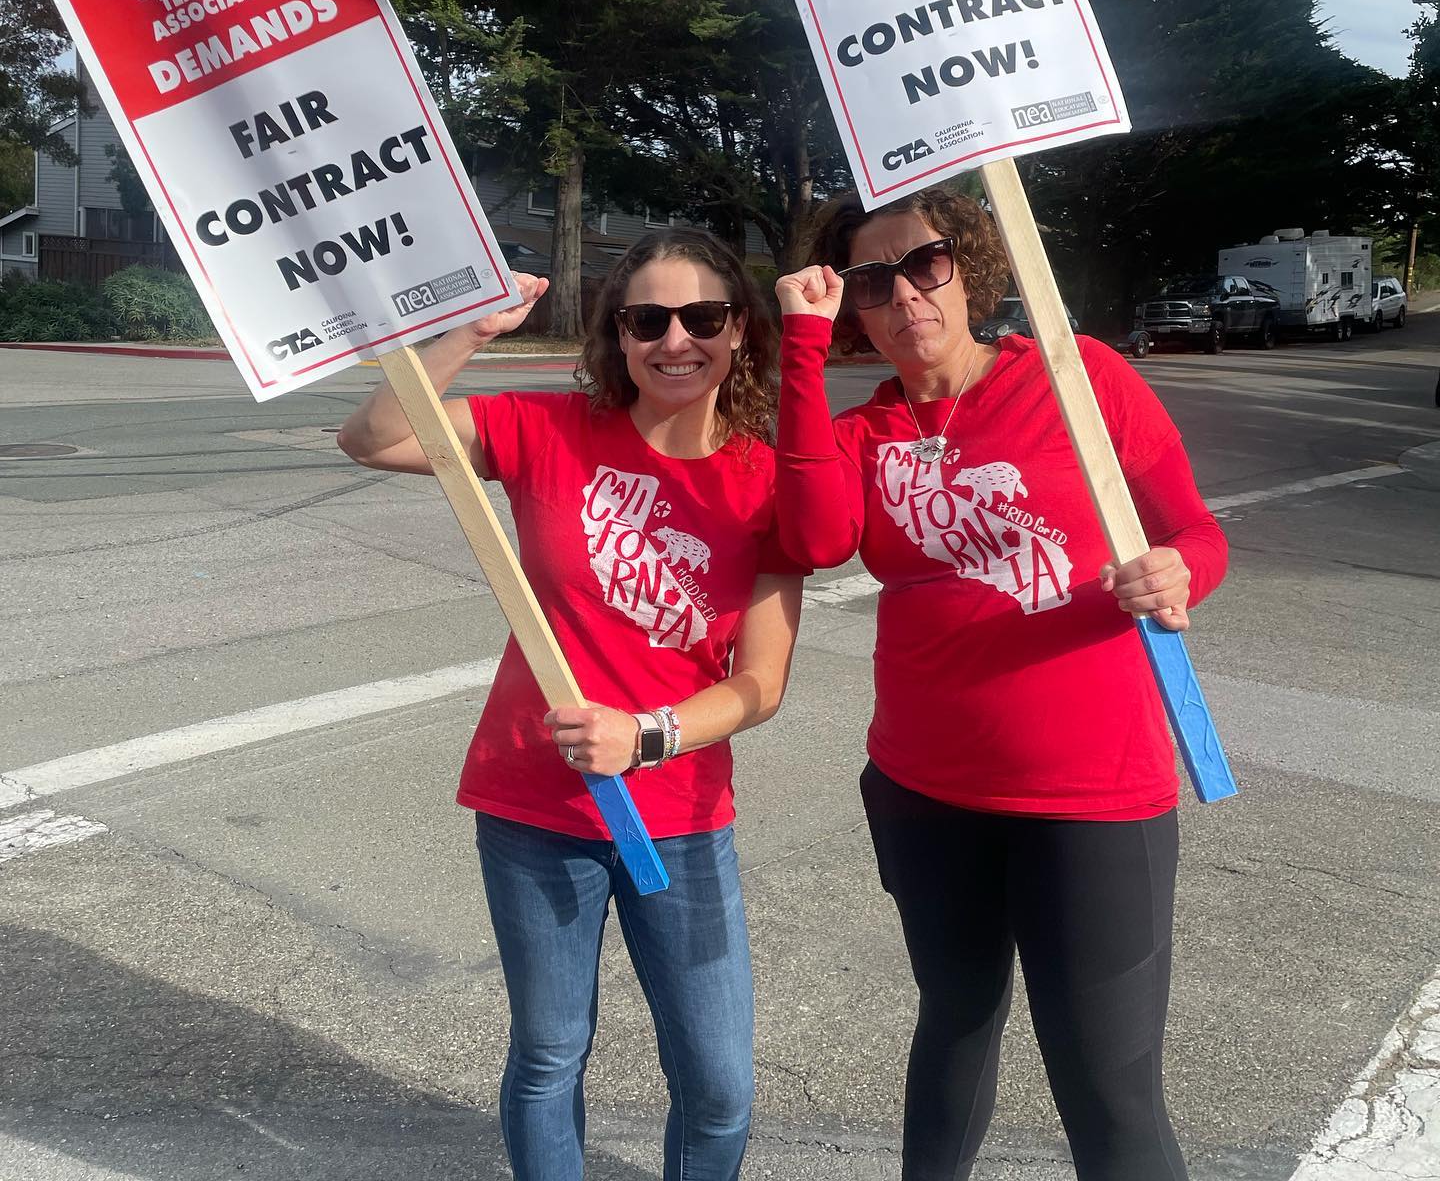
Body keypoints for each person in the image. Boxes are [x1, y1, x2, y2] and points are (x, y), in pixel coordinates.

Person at [773, 186, 1228, 1181]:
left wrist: (1180, 570)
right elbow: (810, 538)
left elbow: (1194, 531)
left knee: (1108, 1090)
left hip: (1093, 796)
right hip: (925, 791)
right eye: (871, 280)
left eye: (923, 264)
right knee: (956, 1026)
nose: (903, 295)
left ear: (966, 265)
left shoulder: (1079, 377)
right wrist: (799, 349)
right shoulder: (864, 434)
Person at [338, 229, 805, 1181]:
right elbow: (374, 437)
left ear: (741, 333)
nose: (676, 341)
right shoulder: (548, 428)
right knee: (551, 1054)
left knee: (718, 1085)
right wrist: (468, 332)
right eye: (648, 320)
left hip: (679, 814)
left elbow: (762, 683)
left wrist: (648, 734)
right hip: (535, 807)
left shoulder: (767, 480)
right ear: (618, 337)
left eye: (703, 318)